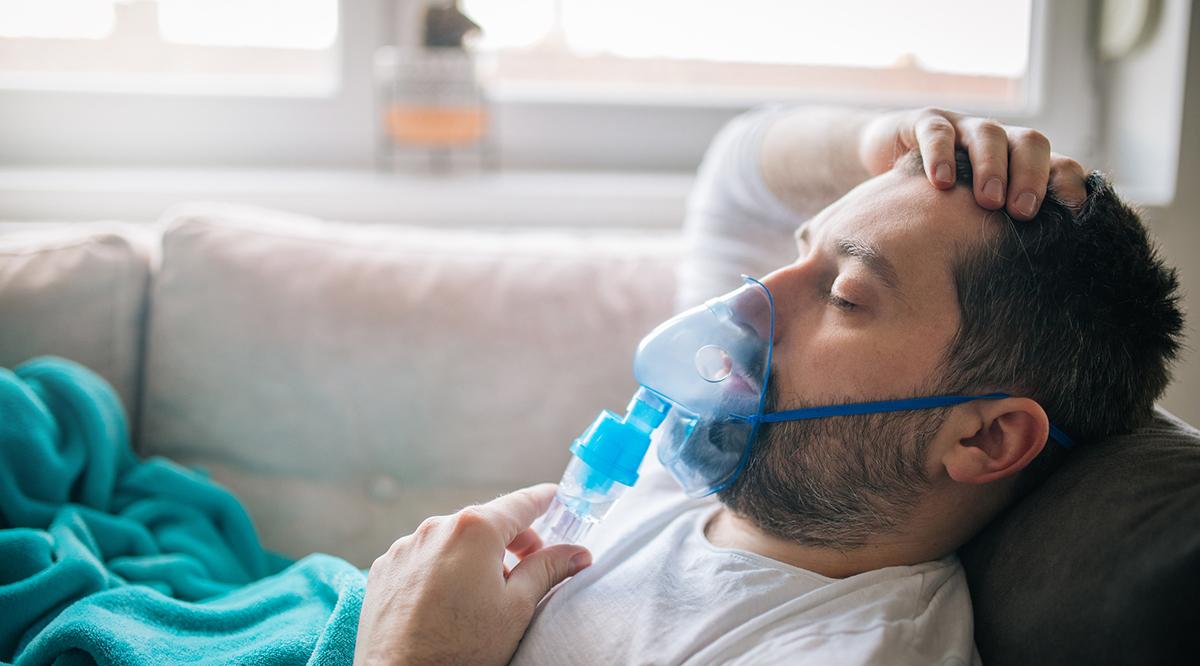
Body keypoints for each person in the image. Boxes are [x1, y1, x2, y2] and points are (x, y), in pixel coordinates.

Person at [352, 107, 1184, 665]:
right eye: (799, 251)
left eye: (848, 295)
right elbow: (738, 173)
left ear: (982, 438)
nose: (752, 304)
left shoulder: (837, 649)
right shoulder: (707, 469)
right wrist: (882, 142)